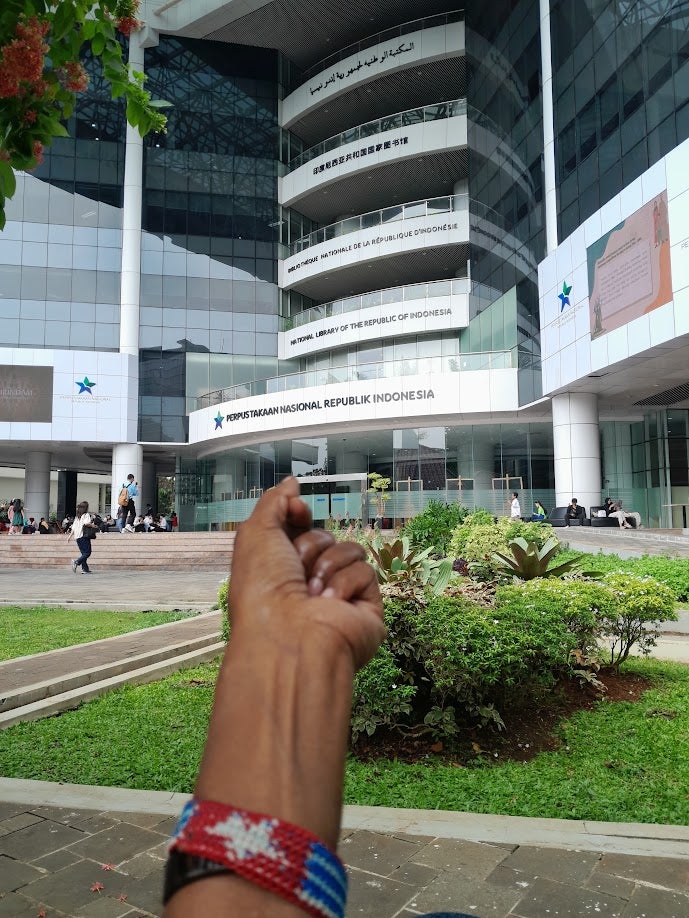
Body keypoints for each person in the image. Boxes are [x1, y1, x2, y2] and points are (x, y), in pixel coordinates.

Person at [67, 500, 97, 573]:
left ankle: (85, 569)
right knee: (87, 553)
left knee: (84, 553)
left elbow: (73, 528)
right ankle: (76, 562)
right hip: (83, 536)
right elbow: (86, 523)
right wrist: (93, 525)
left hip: (77, 537)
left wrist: (69, 537)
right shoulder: (86, 515)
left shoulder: (77, 517)